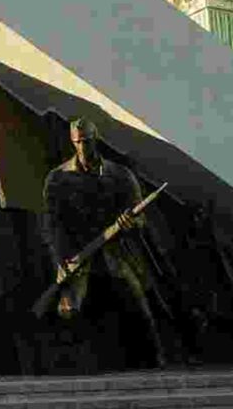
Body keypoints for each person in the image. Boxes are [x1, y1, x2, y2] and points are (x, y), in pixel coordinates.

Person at [41, 118, 169, 368]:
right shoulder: (58, 179)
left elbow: (141, 219)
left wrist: (131, 223)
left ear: (95, 139)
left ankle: (156, 360)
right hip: (78, 255)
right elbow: (51, 225)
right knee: (68, 311)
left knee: (140, 305)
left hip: (116, 252)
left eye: (86, 142)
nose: (82, 148)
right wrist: (61, 261)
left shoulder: (120, 175)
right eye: (77, 143)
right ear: (72, 141)